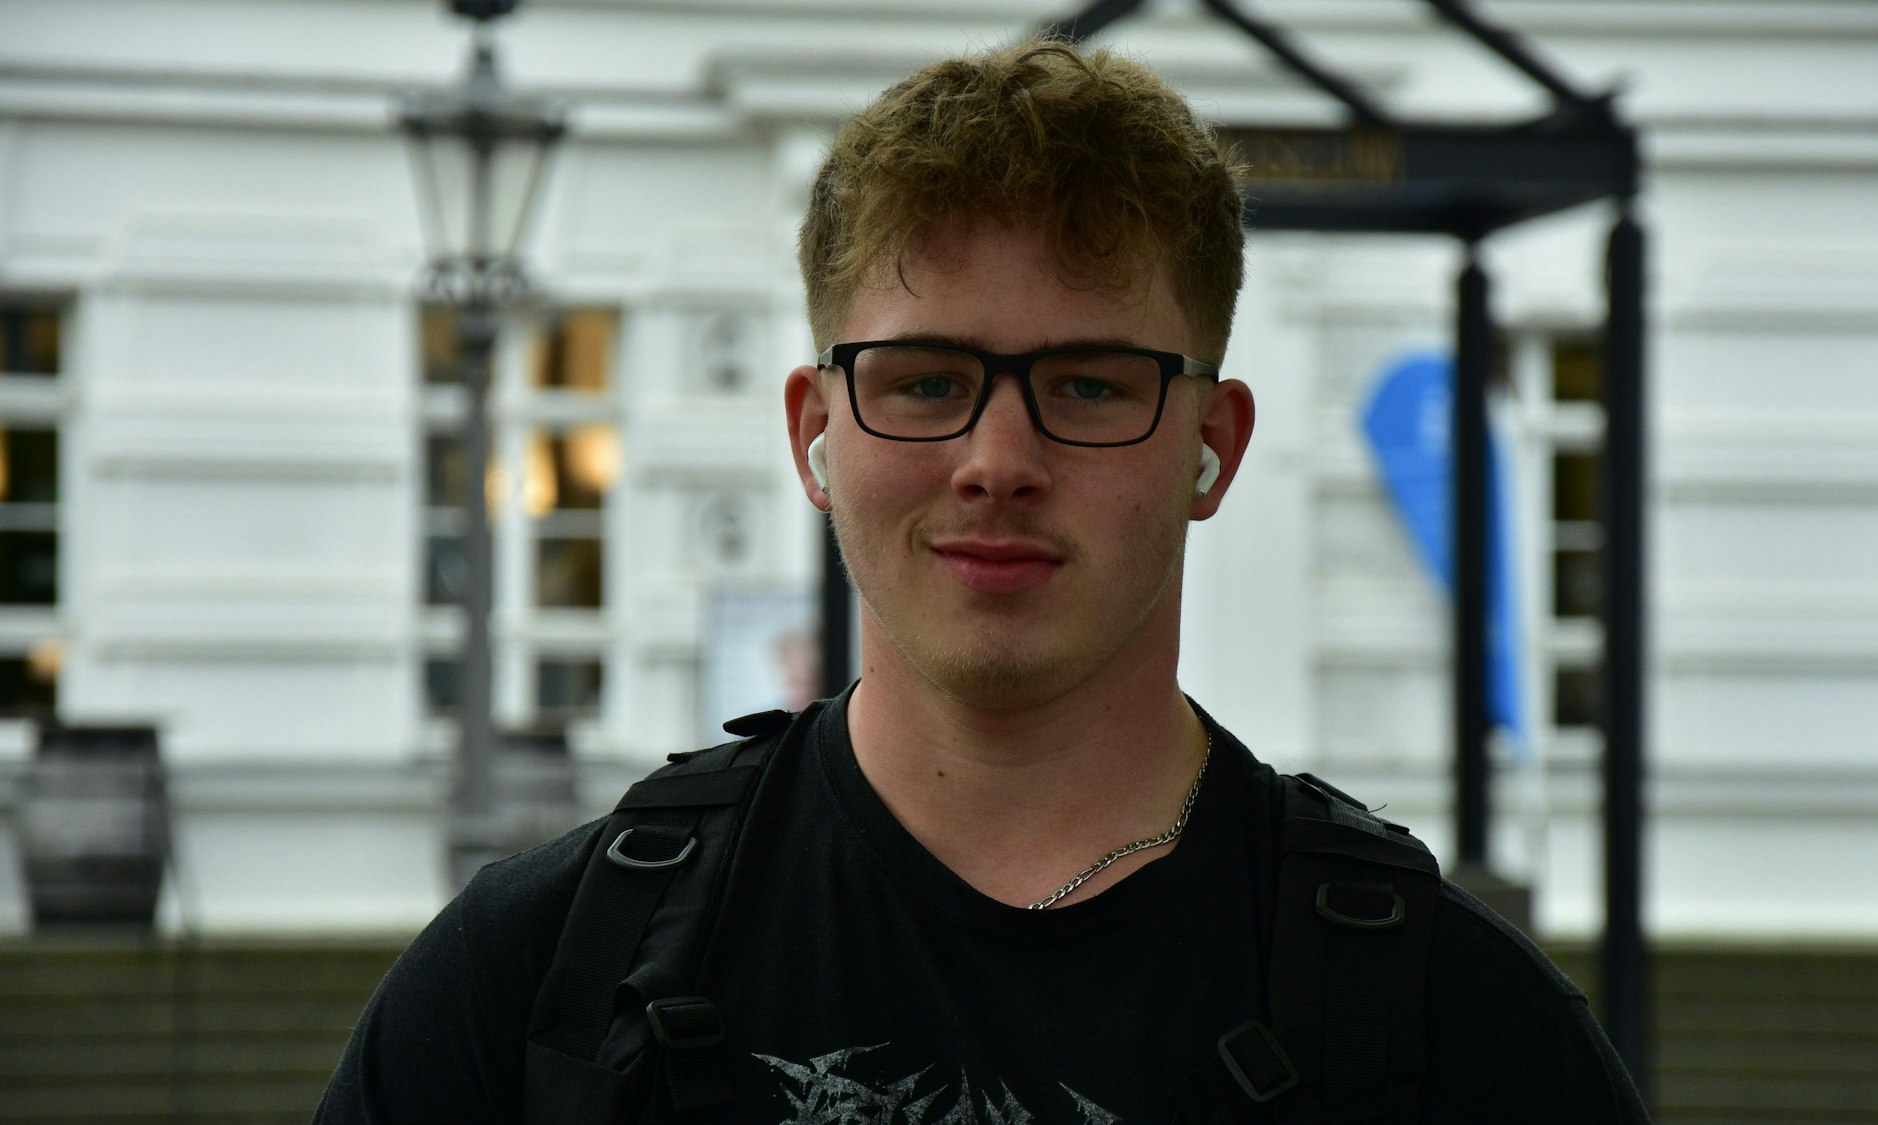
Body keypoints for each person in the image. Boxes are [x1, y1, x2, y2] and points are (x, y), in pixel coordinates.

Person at [316, 39, 1648, 1124]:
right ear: (814, 435)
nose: (996, 461)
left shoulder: (1460, 1032)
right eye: (928, 382)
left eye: (1085, 383)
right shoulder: (535, 981)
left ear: (1213, 445)